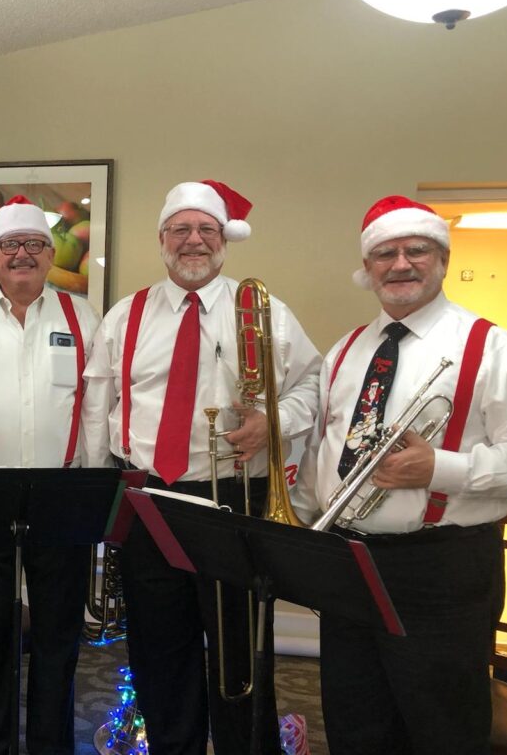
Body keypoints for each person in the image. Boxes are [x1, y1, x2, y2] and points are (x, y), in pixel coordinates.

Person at [81, 180, 321, 755]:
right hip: (148, 498)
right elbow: (99, 407)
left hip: (232, 497)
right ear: (162, 239)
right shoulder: (126, 314)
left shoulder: (263, 310)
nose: (194, 241)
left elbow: (313, 383)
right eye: (180, 230)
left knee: (238, 651)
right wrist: (100, 497)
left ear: (225, 240)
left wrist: (274, 420)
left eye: (206, 230)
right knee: (158, 650)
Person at [293, 195, 507, 755]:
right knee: (355, 718)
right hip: (349, 562)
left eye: (416, 250)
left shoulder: (494, 347)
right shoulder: (348, 349)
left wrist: (442, 468)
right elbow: (328, 446)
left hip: (442, 569)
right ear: (367, 268)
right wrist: (307, 522)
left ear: (442, 259)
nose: (400, 264)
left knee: (442, 726)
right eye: (385, 253)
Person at [0, 195, 101, 755]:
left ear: (48, 252)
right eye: (10, 245)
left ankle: (50, 743)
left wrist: (96, 485)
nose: (22, 255)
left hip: (63, 490)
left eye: (34, 244)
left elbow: (94, 405)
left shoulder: (82, 315)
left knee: (58, 631)